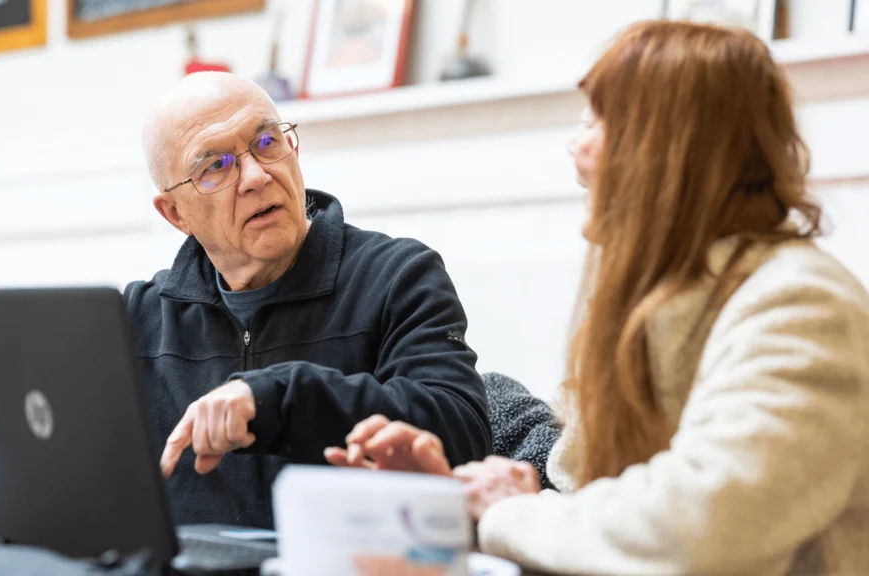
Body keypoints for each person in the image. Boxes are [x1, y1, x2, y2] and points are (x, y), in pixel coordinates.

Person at [328, 20, 869, 575]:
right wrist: (451, 501)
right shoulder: (662, 304)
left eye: (595, 120)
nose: (575, 144)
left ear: (670, 148)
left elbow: (701, 528)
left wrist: (510, 512)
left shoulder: (802, 305)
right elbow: (590, 504)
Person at [0, 72, 492, 529]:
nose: (254, 176)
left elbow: (462, 431)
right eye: (214, 166)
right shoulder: (141, 318)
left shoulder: (398, 275)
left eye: (267, 141)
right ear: (174, 214)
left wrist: (275, 397)